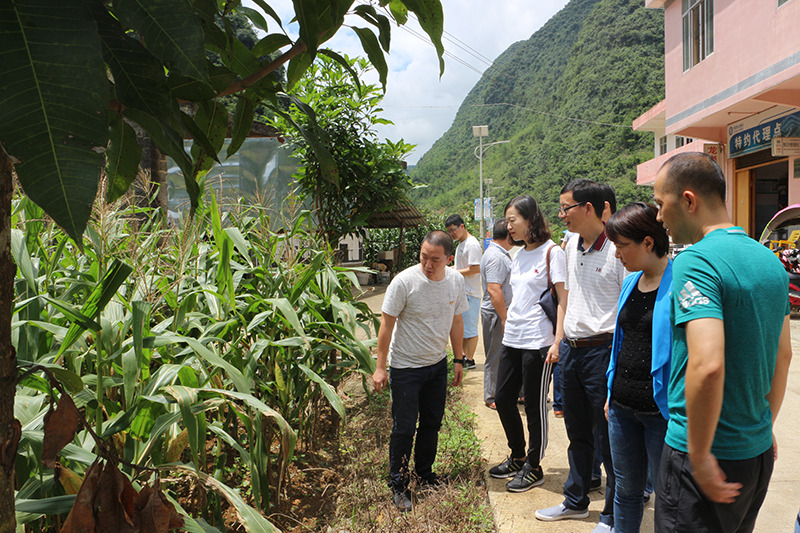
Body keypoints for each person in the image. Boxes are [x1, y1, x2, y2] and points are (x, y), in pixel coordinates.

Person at [652, 152, 792, 532]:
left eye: (661, 204)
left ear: (688, 200)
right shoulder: (769, 262)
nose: (659, 217)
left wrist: (698, 456)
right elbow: (783, 356)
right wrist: (762, 426)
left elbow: (707, 363)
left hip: (704, 458)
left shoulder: (696, 262)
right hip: (756, 454)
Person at [536, 179, 625, 533]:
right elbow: (566, 297)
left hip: (602, 351)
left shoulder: (619, 249)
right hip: (572, 351)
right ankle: (575, 502)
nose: (561, 215)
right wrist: (559, 341)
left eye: (566, 208)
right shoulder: (571, 243)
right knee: (577, 432)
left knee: (610, 437)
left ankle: (614, 515)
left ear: (589, 208)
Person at [372, 230, 470, 512]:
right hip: (405, 367)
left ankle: (424, 474)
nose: (428, 264)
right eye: (424, 257)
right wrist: (380, 368)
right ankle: (399, 483)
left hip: (437, 365)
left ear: (449, 259)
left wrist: (459, 359)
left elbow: (456, 321)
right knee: (404, 428)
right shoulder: (404, 281)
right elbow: (386, 325)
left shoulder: (455, 281)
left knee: (431, 423)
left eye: (435, 260)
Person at [489, 195, 568, 492]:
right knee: (503, 398)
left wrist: (558, 340)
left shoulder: (552, 253)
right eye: (507, 221)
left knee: (534, 407)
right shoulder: (518, 255)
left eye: (513, 221)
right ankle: (518, 454)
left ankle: (533, 466)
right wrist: (509, 321)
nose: (508, 227)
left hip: (539, 341)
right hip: (514, 337)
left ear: (530, 220)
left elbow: (563, 298)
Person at [604, 202, 672, 533]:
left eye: (621, 245)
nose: (617, 254)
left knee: (669, 499)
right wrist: (610, 391)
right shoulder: (631, 283)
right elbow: (621, 342)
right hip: (621, 409)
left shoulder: (678, 285)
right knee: (625, 493)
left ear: (648, 242)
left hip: (661, 413)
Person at [480, 218, 514, 410]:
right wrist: (504, 317)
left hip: (496, 312)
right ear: (508, 235)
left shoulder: (496, 253)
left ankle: (502, 391)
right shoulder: (497, 257)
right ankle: (491, 395)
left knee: (503, 355)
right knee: (495, 356)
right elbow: (494, 290)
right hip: (496, 313)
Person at [445, 214, 483, 369]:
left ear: (462, 226)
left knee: (470, 329)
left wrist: (455, 272)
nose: (452, 234)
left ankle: (471, 359)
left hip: (471, 293)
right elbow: (462, 267)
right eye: (449, 232)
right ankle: (465, 358)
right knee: (463, 328)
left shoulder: (472, 244)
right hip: (462, 292)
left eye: (453, 230)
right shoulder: (461, 244)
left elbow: (475, 268)